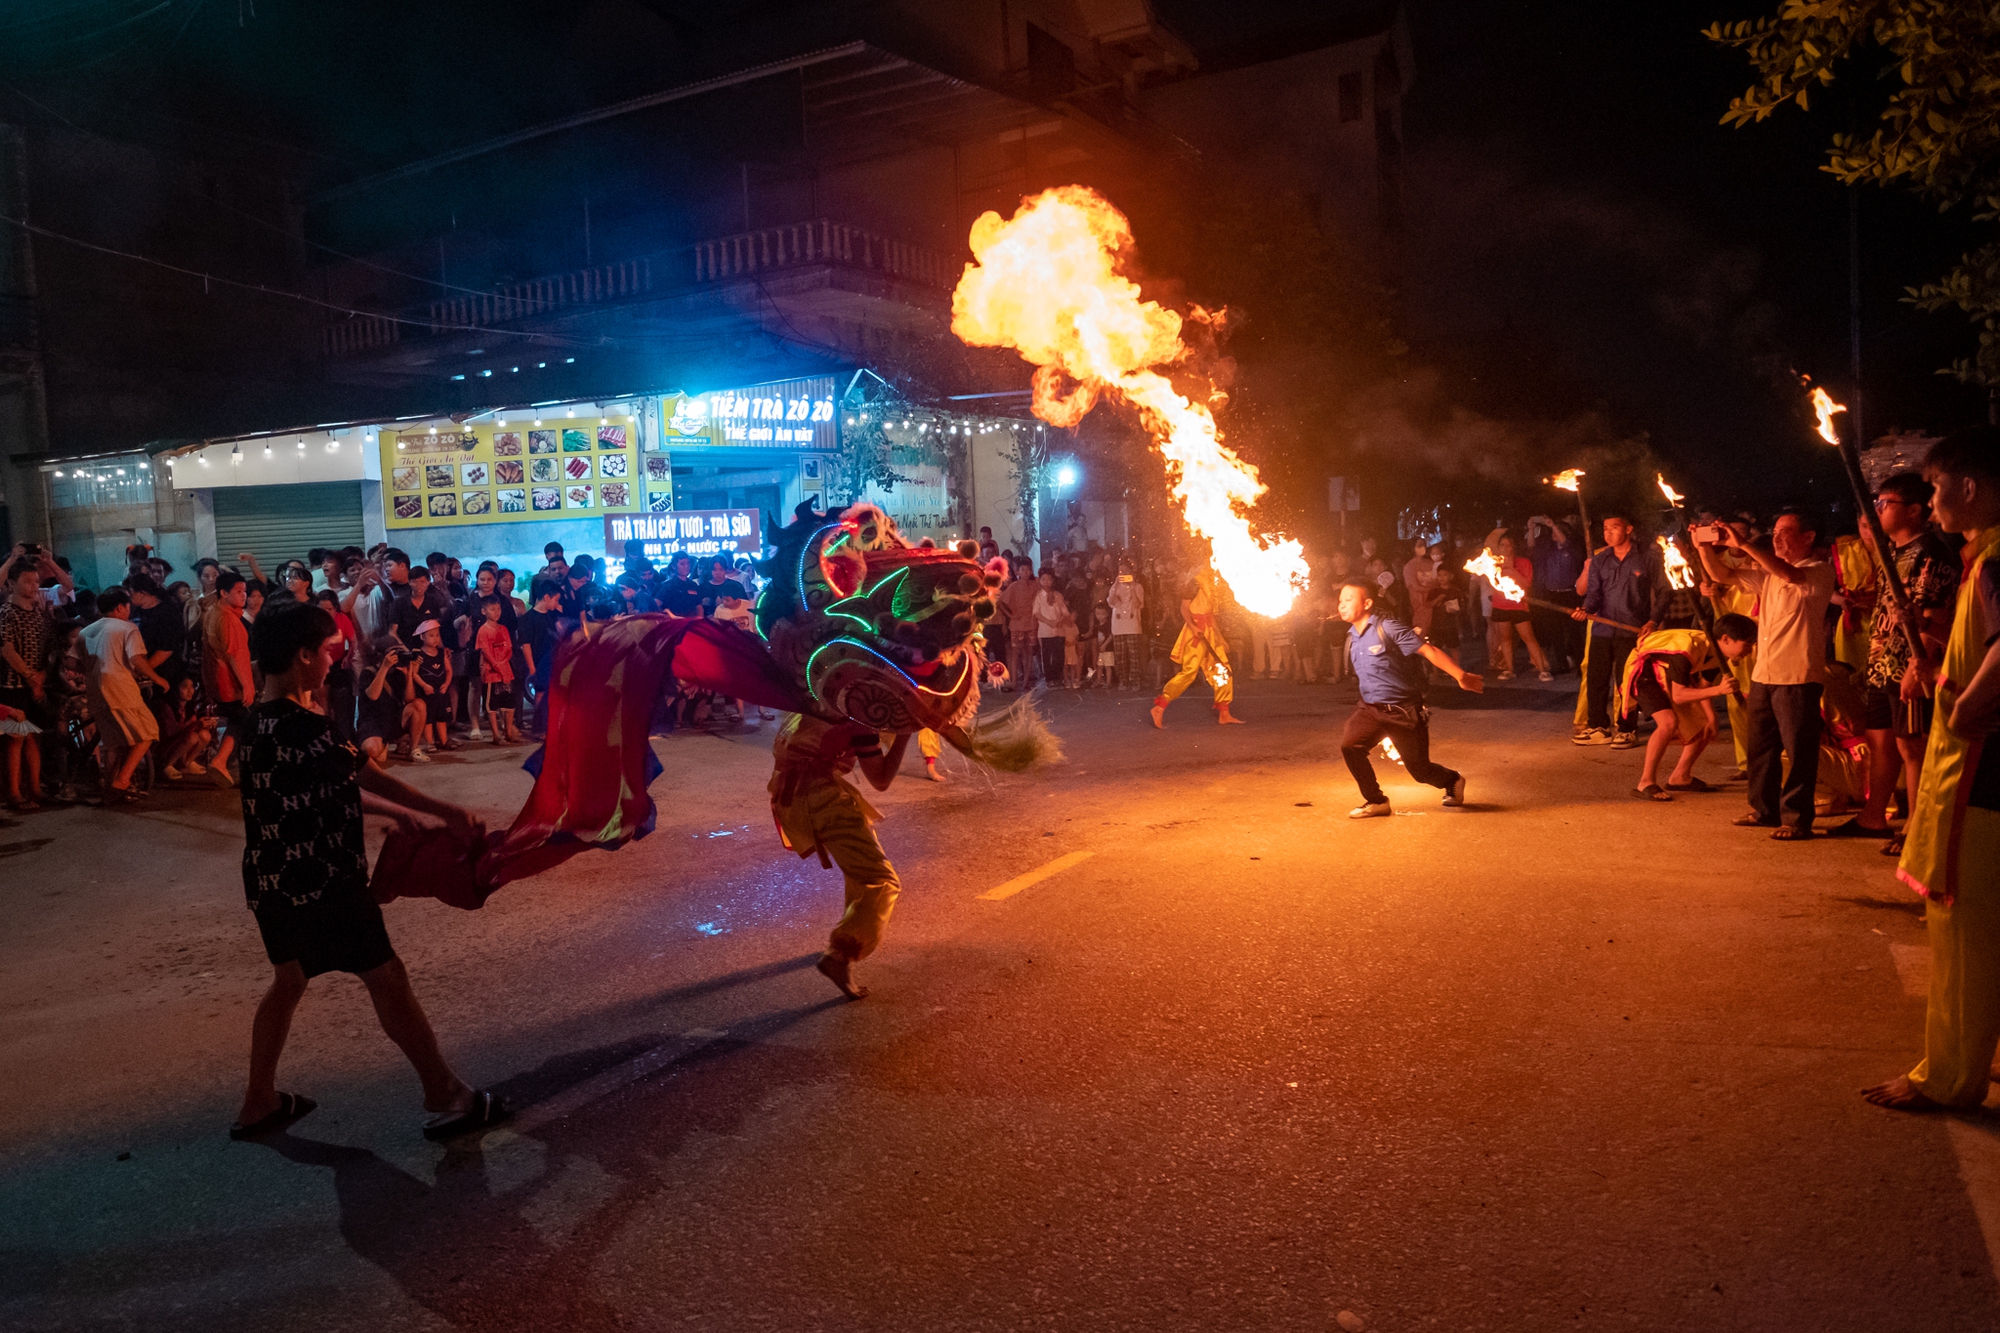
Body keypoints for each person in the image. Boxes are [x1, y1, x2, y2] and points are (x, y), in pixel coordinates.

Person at [228, 598, 505, 1142]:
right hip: (324, 882)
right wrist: (441, 812)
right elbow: (367, 777)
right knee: (388, 980)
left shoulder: (255, 725)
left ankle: (258, 1101)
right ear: (305, 656)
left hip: (271, 882)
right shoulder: (307, 725)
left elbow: (324, 789)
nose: (334, 659)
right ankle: (446, 1095)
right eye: (330, 650)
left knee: (287, 982)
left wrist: (404, 818)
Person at [1865, 426, 2000, 1112]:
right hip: (1984, 771)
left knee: (1964, 937)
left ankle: (1949, 1076)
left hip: (1983, 775)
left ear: (1970, 487)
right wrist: (1943, 669)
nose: (1935, 499)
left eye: (1940, 487)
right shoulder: (1987, 556)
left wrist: (1965, 699)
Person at [1825, 473, 1958, 850]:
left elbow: (1933, 616)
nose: (1878, 509)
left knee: (1911, 748)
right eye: (1876, 503)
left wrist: (1921, 665)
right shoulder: (1893, 552)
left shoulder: (1930, 552)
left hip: (1909, 667)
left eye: (1887, 503)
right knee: (1880, 740)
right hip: (1883, 664)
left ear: (1915, 511)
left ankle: (1915, 828)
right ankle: (1873, 816)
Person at [1692, 510, 1838, 839]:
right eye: (1774, 531)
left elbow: (1790, 575)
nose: (1776, 537)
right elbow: (1723, 575)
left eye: (1786, 531)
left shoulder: (1818, 571)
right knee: (1761, 747)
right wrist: (1703, 549)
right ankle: (1764, 810)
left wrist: (1744, 544)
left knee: (1799, 751)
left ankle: (1797, 819)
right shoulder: (1767, 575)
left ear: (1808, 537)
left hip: (1797, 675)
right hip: (1764, 673)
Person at [769, 712, 914, 1000]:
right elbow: (881, 779)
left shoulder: (814, 699)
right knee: (883, 881)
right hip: (819, 796)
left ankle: (847, 936)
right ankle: (841, 955)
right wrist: (906, 734)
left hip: (792, 792)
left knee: (860, 866)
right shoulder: (860, 714)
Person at [1335, 579, 1484, 817]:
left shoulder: (1388, 628)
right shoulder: (1352, 635)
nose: (1342, 605)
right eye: (1341, 600)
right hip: (1370, 709)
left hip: (1403, 710)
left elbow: (1427, 650)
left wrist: (1460, 675)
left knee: (1420, 770)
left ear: (1368, 603)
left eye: (1349, 599)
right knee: (1350, 746)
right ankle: (1377, 801)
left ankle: (1452, 780)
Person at [1622, 616, 1755, 800]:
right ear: (1725, 639)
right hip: (1645, 672)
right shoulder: (1687, 649)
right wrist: (1720, 690)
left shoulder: (1720, 655)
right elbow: (1679, 695)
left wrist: (1711, 716)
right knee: (1668, 722)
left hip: (1669, 674)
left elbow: (1703, 687)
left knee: (1703, 725)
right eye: (1747, 644)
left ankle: (1680, 776)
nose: (1749, 650)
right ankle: (1646, 782)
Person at [1573, 515, 1661, 747]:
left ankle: (1627, 728)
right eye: (1605, 529)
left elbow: (1664, 591)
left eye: (1614, 527)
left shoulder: (1647, 558)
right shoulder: (1599, 560)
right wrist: (1585, 610)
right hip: (1602, 628)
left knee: (1627, 681)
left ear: (1629, 529)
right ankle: (1598, 726)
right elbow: (1593, 594)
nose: (1608, 533)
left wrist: (1653, 621)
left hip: (1633, 630)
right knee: (1596, 679)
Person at [80, 587, 168, 800]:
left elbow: (73, 662)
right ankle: (123, 780)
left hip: (96, 691)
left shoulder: (85, 631)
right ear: (120, 607)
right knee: (148, 730)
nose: (130, 611)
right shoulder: (127, 628)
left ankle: (111, 789)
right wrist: (158, 679)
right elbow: (137, 659)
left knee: (113, 742)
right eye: (128, 606)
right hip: (121, 689)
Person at [1150, 568, 1244, 727]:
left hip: (1210, 634)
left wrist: (1220, 638)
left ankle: (1224, 713)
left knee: (1223, 669)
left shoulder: (1214, 584)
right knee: (1189, 673)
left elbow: (1211, 615)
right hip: (1195, 633)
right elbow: (1184, 608)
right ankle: (1159, 707)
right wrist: (1193, 627)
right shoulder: (1194, 583)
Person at [1, 554, 56, 809]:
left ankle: (34, 788)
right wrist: (30, 676)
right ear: (11, 584)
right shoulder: (5, 613)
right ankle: (14, 792)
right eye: (27, 581)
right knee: (15, 738)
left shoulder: (39, 613)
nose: (34, 586)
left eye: (36, 581)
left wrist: (42, 675)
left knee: (34, 736)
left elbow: (48, 649)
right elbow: (6, 649)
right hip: (11, 685)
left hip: (35, 684)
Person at [202, 570, 255, 787]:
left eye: (245, 591)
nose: (244, 596)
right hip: (230, 683)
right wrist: (247, 686)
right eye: (239, 591)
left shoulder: (213, 612)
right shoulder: (228, 619)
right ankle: (231, 764)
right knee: (248, 725)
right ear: (223, 593)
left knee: (238, 723)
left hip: (218, 681)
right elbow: (234, 655)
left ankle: (221, 761)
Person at [1485, 532, 1552, 681]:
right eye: (1502, 545)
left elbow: (1526, 584)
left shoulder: (1524, 562)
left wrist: (1512, 569)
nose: (1505, 548)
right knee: (1505, 638)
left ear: (1514, 547)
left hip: (1519, 606)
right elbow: (1493, 583)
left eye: (1508, 545)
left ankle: (1542, 670)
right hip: (1500, 604)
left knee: (1528, 637)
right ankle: (1509, 669)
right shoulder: (1493, 564)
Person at [474, 595, 523, 744]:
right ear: (484, 611)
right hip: (491, 673)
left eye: (498, 609)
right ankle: (496, 735)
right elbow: (486, 652)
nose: (497, 612)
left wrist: (503, 664)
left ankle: (508, 731)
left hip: (506, 670)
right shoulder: (483, 631)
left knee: (509, 704)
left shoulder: (504, 629)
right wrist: (498, 667)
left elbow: (508, 649)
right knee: (492, 706)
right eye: (492, 609)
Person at [155, 676, 217, 780]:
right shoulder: (166, 706)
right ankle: (167, 765)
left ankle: (185, 764)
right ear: (175, 688)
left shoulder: (189, 707)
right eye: (184, 687)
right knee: (192, 737)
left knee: (205, 735)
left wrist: (206, 724)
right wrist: (195, 724)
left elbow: (192, 729)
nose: (190, 691)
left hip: (180, 741)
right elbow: (170, 732)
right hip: (164, 745)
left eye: (192, 687)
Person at [407, 620, 454, 756]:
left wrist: (446, 683)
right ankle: (429, 742)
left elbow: (449, 670)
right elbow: (414, 674)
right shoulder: (419, 656)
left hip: (441, 692)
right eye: (431, 635)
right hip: (426, 693)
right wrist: (424, 685)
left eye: (437, 635)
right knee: (427, 718)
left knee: (442, 717)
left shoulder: (441, 654)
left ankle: (444, 741)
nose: (435, 639)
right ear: (422, 637)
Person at [1000, 561, 1041, 689]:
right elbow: (1000, 602)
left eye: (1028, 570)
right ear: (1018, 571)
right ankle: (1013, 682)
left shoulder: (1036, 585)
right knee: (1015, 652)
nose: (1025, 572)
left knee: (1028, 652)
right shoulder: (1013, 586)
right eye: (1022, 570)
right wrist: (1011, 615)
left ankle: (1026, 681)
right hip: (1016, 624)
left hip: (1031, 622)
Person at [1033, 570, 1071, 690]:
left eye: (1049, 579)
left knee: (1059, 655)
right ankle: (1049, 679)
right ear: (1039, 580)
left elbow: (1065, 612)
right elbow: (1036, 613)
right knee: (1047, 655)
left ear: (1053, 581)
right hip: (1045, 630)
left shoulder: (1058, 595)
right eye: (1043, 579)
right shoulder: (1039, 596)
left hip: (1059, 629)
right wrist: (1049, 622)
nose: (1046, 582)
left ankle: (1057, 678)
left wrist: (1060, 620)